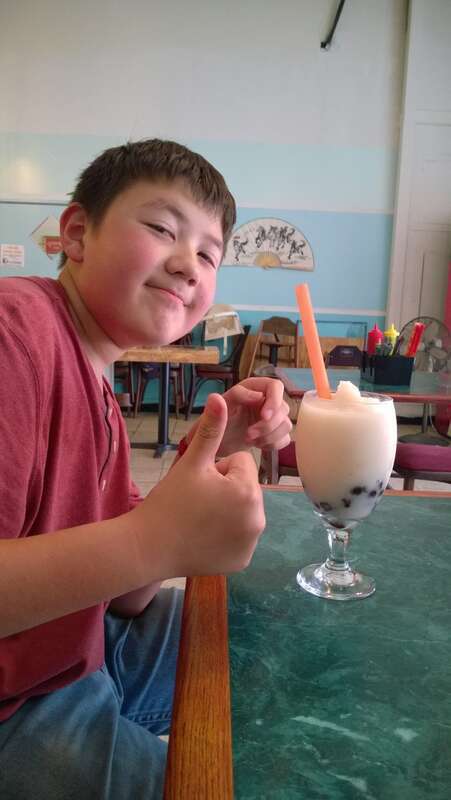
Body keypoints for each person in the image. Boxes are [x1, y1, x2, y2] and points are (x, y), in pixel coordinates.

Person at [0, 139, 292, 799]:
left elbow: (128, 598)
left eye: (209, 254)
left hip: (76, 645)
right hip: (16, 706)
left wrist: (211, 451)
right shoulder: (16, 331)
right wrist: (152, 540)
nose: (188, 263)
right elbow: (138, 552)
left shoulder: (100, 385)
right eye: (162, 228)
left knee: (255, 636)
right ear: (77, 234)